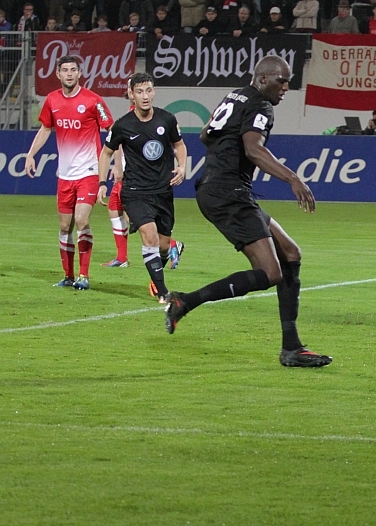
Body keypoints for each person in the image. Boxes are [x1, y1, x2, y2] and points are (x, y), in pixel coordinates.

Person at [163, 56, 331, 368]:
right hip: (227, 192)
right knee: (270, 272)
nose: (286, 87)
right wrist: (292, 178)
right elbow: (254, 149)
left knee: (290, 253)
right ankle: (185, 301)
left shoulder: (236, 96)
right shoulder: (260, 105)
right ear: (263, 78)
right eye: (281, 81)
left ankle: (292, 348)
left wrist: (227, 152)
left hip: (221, 189)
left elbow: (205, 135)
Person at [24, 56, 114, 290]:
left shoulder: (93, 101)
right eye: (65, 70)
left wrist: (115, 161)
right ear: (58, 74)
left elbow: (112, 130)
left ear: (79, 73)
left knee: (82, 220)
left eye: (73, 69)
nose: (69, 73)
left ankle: (84, 275)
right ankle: (68, 275)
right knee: (65, 226)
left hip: (89, 171)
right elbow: (46, 128)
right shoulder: (52, 100)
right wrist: (31, 154)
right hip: (64, 175)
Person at [97, 73, 187, 302]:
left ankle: (156, 276)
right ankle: (163, 292)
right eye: (139, 92)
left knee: (163, 245)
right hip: (135, 192)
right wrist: (102, 183)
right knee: (149, 235)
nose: (145, 96)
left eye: (148, 90)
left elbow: (179, 145)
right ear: (131, 95)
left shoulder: (167, 119)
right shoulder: (122, 125)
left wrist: (182, 166)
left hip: (163, 192)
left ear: (154, 91)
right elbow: (106, 153)